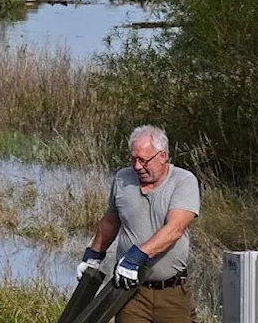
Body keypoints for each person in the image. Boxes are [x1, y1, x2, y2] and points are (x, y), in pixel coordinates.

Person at [78, 125, 201, 323]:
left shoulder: (183, 181)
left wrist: (135, 257)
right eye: (133, 159)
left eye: (143, 160)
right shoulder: (122, 179)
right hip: (129, 293)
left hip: (171, 292)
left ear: (162, 156)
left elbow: (174, 229)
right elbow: (110, 222)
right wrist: (92, 256)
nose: (137, 166)